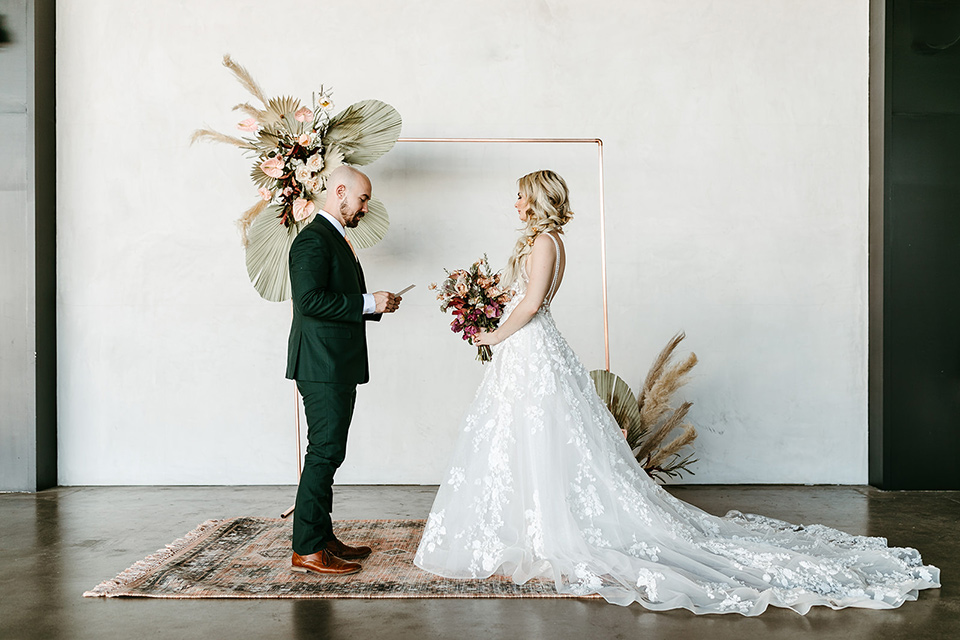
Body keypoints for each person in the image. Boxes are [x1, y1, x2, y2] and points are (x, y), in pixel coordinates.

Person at [414, 169, 940, 614]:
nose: (517, 203)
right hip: (526, 352)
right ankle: (526, 527)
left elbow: (530, 306)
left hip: (531, 347)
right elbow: (520, 297)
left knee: (542, 434)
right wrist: (486, 303)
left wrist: (493, 331)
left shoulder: (548, 243)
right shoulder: (541, 243)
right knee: (521, 438)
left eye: (522, 195)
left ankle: (551, 532)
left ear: (539, 201)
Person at [286, 165, 401, 576]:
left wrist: (376, 304)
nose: (366, 207)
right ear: (340, 192)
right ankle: (307, 549)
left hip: (334, 363)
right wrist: (369, 302)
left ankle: (322, 536)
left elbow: (334, 296)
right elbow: (310, 301)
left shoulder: (335, 238)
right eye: (363, 198)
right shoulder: (313, 240)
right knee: (324, 452)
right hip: (321, 364)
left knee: (330, 452)